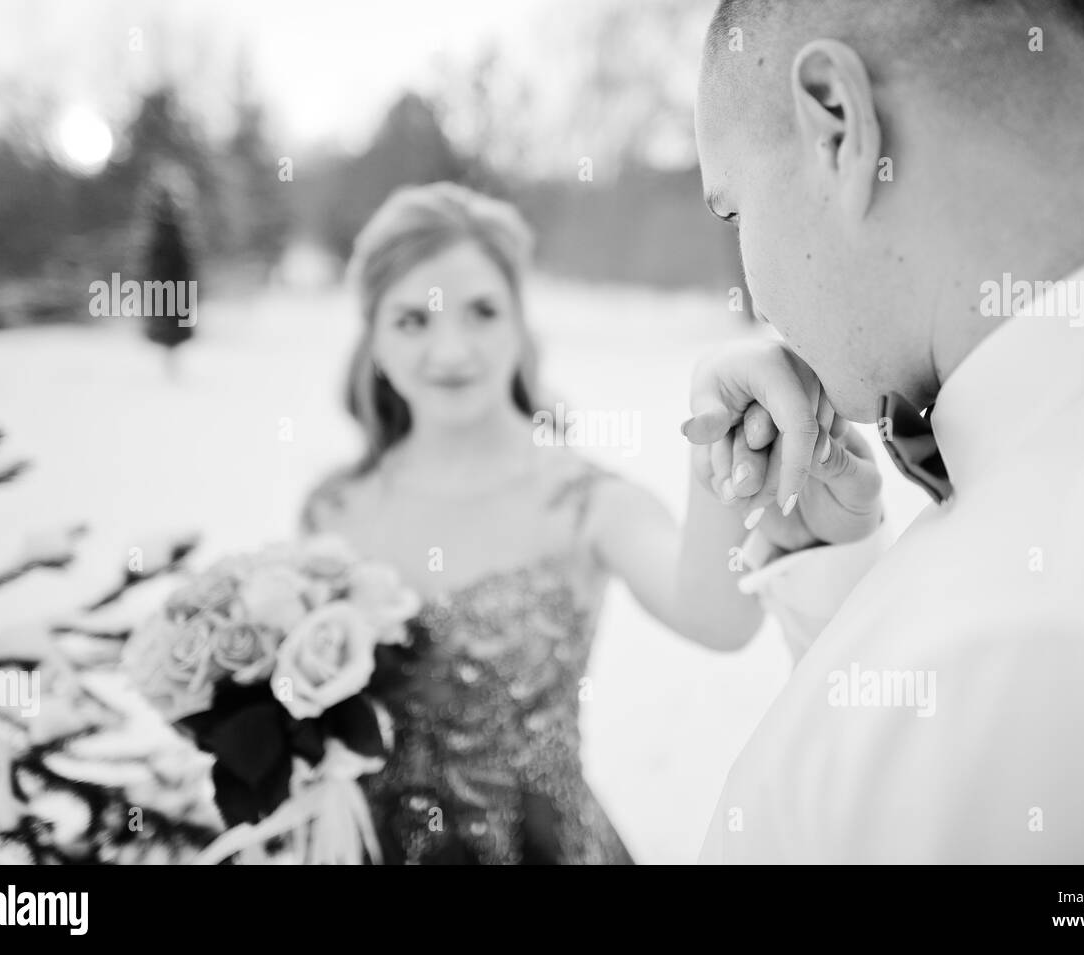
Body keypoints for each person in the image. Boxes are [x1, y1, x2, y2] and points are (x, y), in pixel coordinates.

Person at [686, 0, 1084, 863]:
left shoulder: (1034, 653)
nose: (754, 295)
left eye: (732, 213)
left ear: (838, 124)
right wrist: (840, 584)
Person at [299, 181, 859, 864]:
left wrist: (719, 412)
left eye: (480, 311)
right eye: (413, 319)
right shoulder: (333, 507)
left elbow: (718, 616)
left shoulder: (581, 500)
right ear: (374, 342)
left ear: (519, 323)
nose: (451, 350)